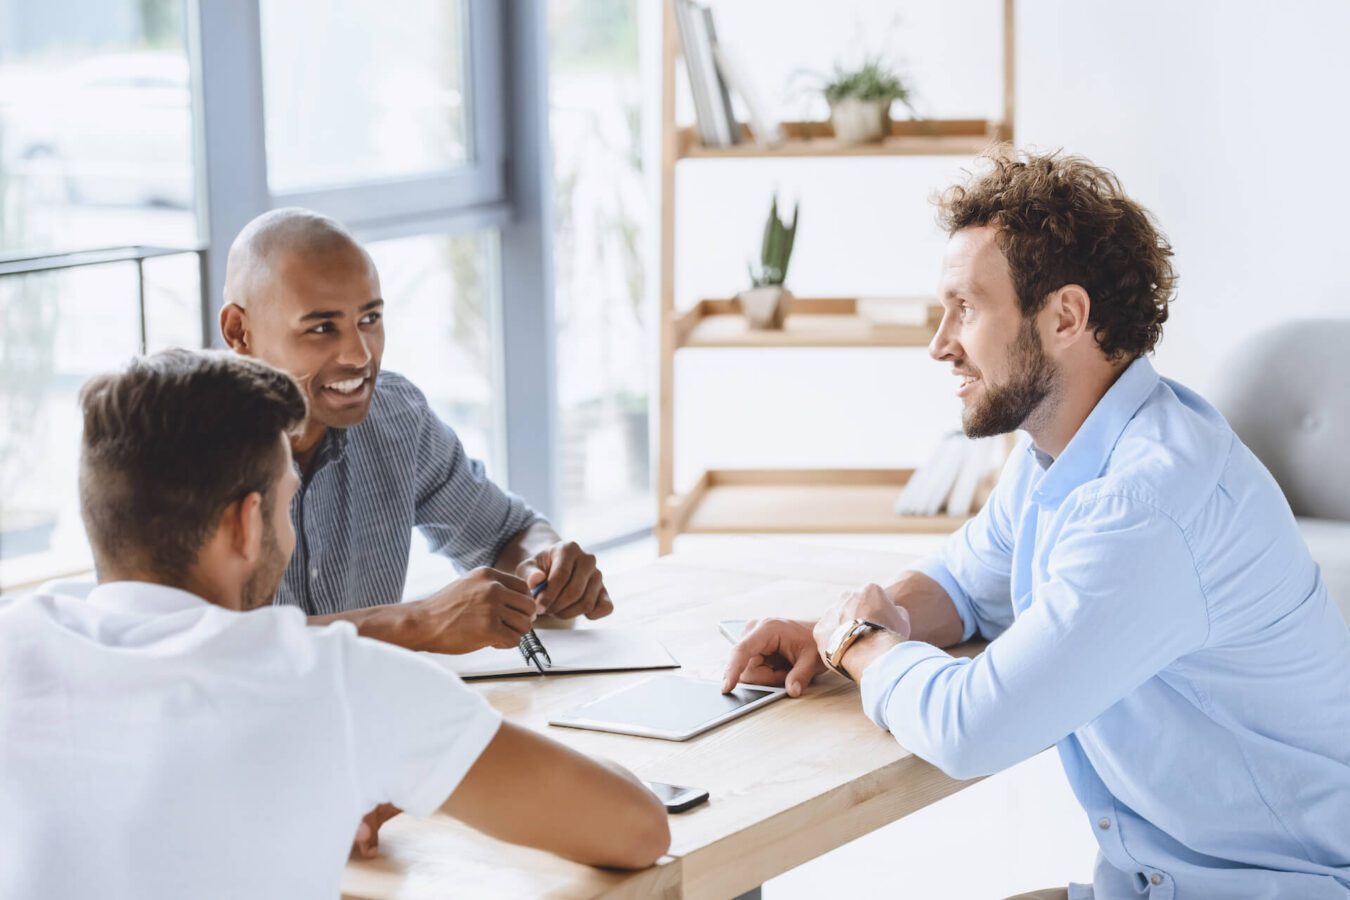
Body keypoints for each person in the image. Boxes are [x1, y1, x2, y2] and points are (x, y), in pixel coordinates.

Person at [723, 149, 1350, 899]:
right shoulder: (1065, 453)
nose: (940, 342)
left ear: (1065, 316)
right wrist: (840, 627)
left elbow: (973, 728)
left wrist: (861, 645)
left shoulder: (1147, 504)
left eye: (967, 307)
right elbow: (964, 585)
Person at [0, 350, 669, 899]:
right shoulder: (333, 683)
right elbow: (638, 829)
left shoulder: (15, 645)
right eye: (289, 505)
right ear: (244, 523)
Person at [219, 208, 610, 653]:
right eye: (322, 328)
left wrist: (547, 567)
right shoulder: (180, 455)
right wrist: (416, 624)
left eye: (369, 320)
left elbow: (507, 534)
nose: (359, 355)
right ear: (239, 331)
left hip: (374, 714)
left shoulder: (397, 417)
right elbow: (210, 644)